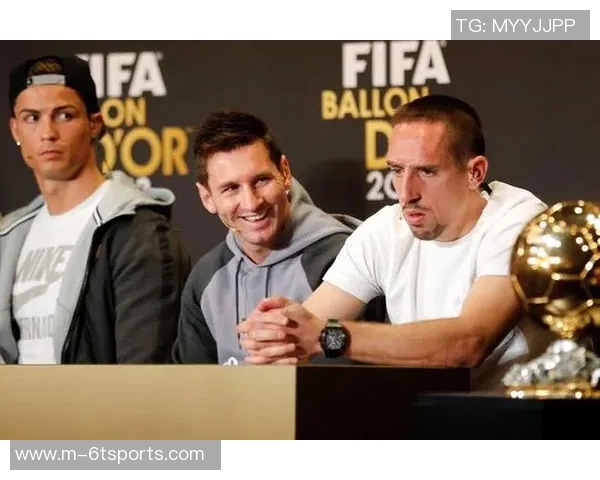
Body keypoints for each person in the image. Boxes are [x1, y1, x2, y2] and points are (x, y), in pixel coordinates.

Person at [238, 94, 548, 390]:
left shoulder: (519, 221)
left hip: (519, 419)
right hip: (427, 418)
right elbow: (310, 325)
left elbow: (469, 342)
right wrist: (279, 332)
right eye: (397, 170)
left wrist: (328, 336)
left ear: (475, 172)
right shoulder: (385, 230)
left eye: (427, 171)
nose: (406, 192)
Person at [0, 54, 191, 364]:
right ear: (15, 130)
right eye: (32, 118)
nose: (48, 132)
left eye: (64, 115)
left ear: (94, 124)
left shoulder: (139, 231)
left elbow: (145, 377)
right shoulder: (9, 237)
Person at [171, 110, 386, 365]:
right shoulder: (206, 277)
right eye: (231, 188)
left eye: (261, 180)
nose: (251, 203)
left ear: (284, 172)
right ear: (207, 197)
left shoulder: (343, 259)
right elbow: (192, 384)